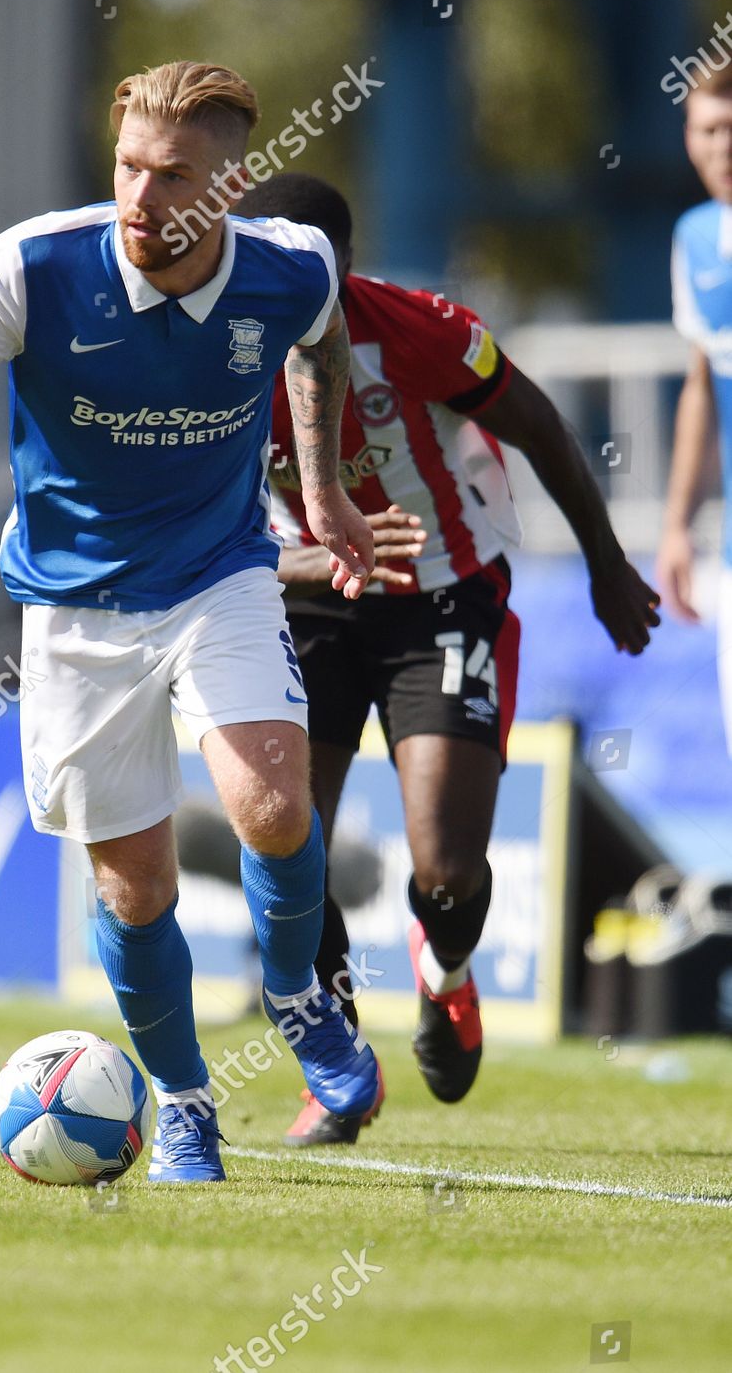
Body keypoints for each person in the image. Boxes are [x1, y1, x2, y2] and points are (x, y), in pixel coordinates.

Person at [0, 63, 381, 1183]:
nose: (142, 200)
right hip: (74, 606)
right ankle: (186, 1104)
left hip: (218, 573)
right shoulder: (34, 265)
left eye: (174, 177)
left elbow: (322, 346)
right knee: (133, 888)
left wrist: (326, 491)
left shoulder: (290, 267)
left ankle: (296, 994)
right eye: (128, 169)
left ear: (232, 183)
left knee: (272, 803)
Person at [240, 173, 660, 1145]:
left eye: (306, 265)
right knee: (287, 848)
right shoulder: (216, 356)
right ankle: (339, 1068)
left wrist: (603, 564)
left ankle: (444, 975)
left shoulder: (418, 328)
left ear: (341, 267)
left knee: (443, 866)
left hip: (440, 600)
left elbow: (540, 426)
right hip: (303, 602)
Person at [658, 67, 732, 755]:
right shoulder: (695, 238)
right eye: (710, 130)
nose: (723, 147)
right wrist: (678, 524)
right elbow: (702, 387)